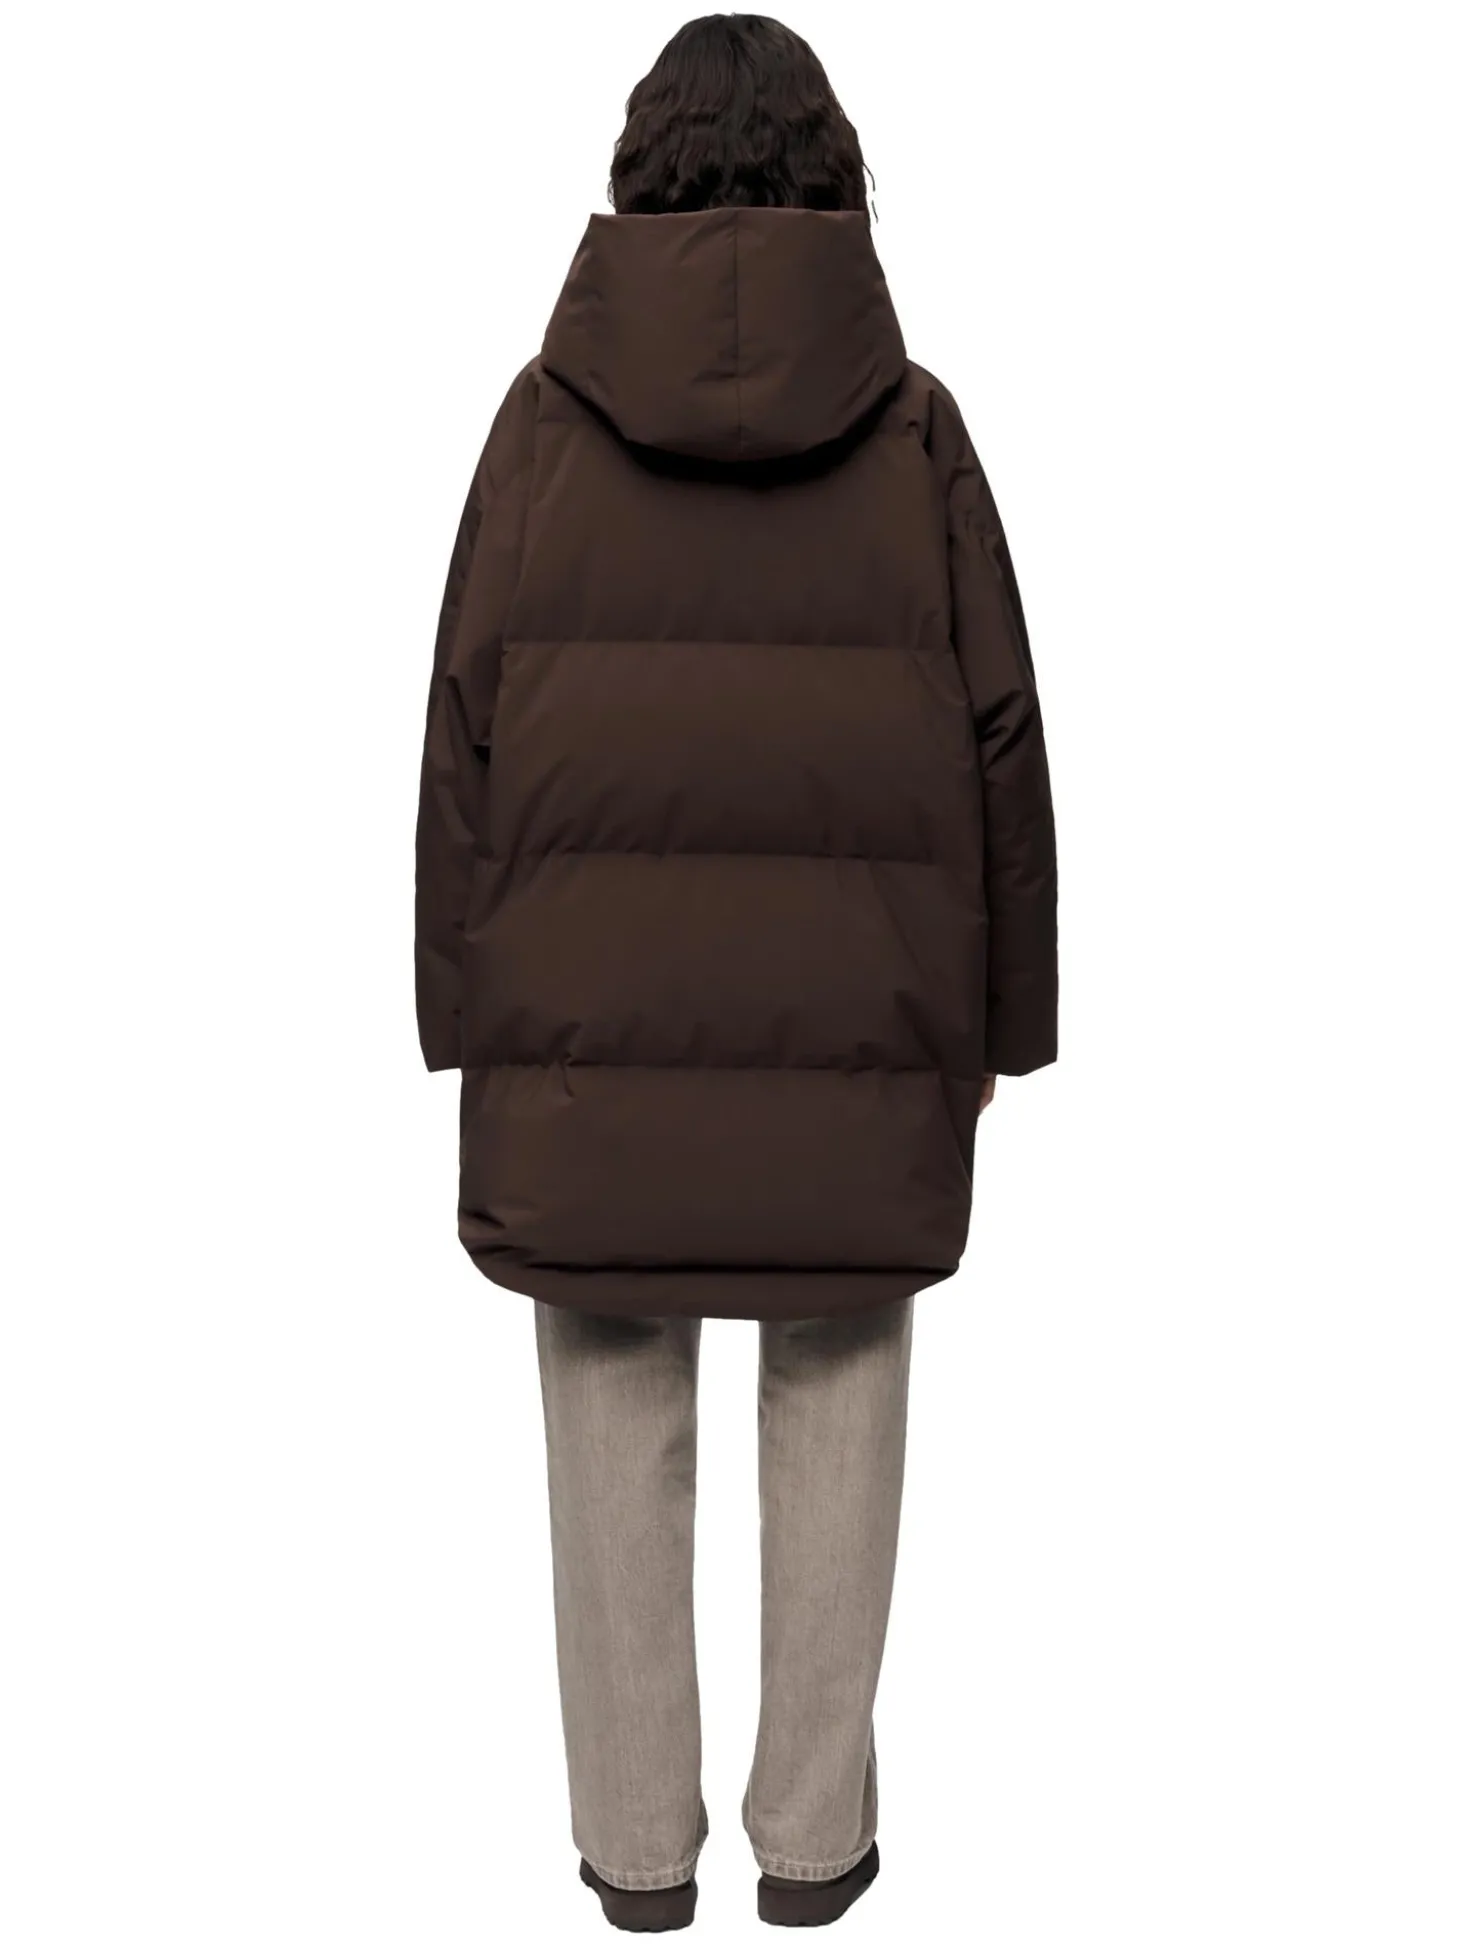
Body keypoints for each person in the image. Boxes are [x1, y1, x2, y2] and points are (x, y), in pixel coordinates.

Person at [415, 13, 1057, 1931]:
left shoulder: (540, 427)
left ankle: (635, 1850)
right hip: (862, 1028)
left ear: (638, 175)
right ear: (837, 173)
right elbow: (1004, 739)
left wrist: (460, 1013)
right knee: (838, 1369)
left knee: (613, 1393)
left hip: (586, 1041)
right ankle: (814, 1839)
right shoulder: (917, 426)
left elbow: (461, 734)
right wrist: (1006, 1023)